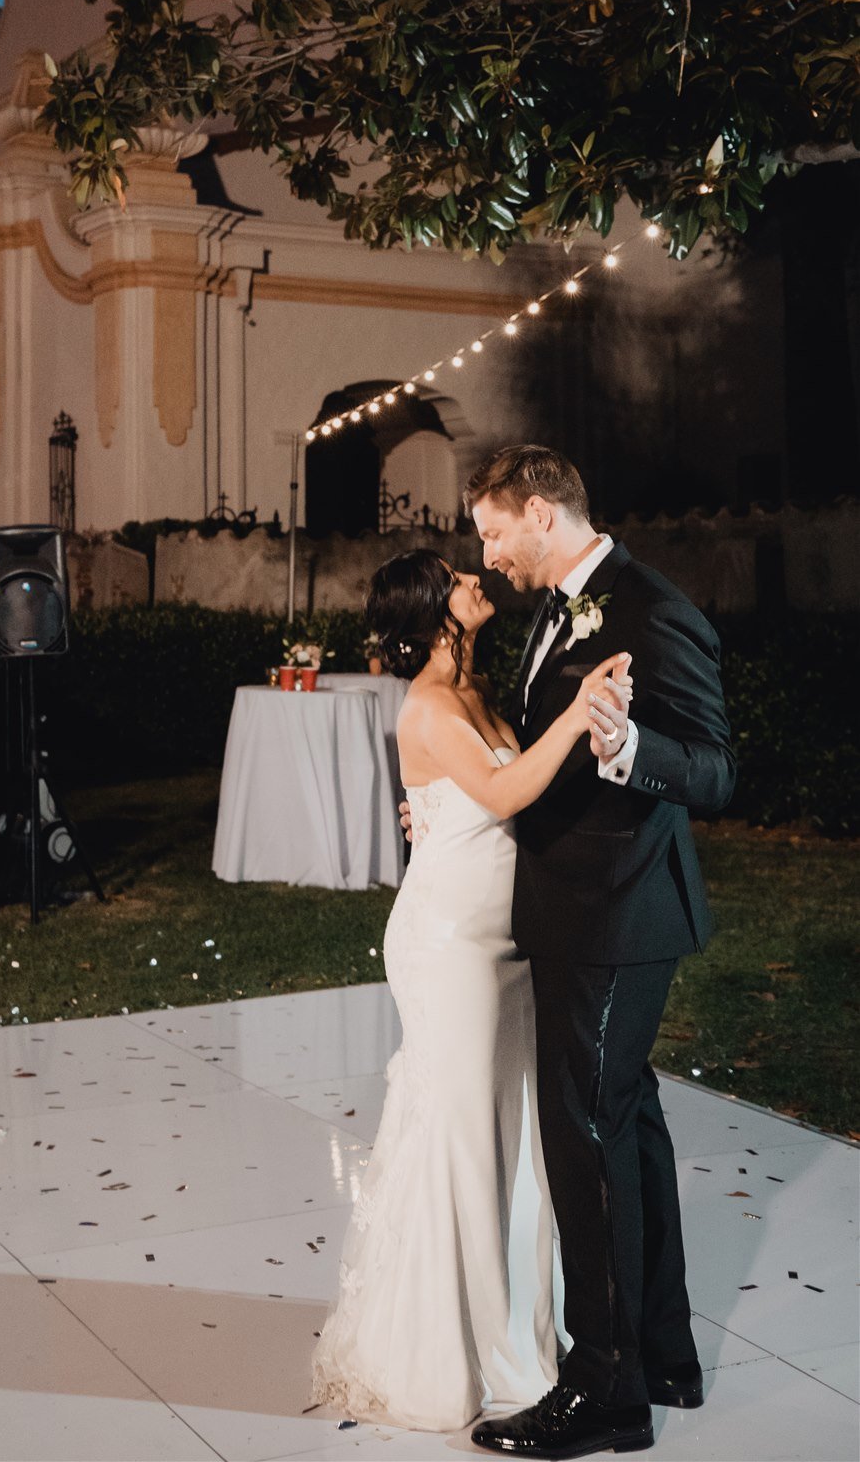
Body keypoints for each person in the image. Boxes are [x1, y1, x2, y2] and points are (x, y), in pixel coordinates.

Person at [406, 446, 735, 1460]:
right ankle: (664, 1354)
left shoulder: (648, 606)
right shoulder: (556, 607)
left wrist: (632, 751)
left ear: (541, 513)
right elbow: (528, 748)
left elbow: (716, 769)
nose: (489, 551)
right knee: (625, 1124)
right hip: (570, 907)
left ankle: (605, 1389)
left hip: (614, 912)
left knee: (584, 1133)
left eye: (495, 530)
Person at [309, 547, 632, 1433]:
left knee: (511, 1137)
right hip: (448, 942)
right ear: (430, 610)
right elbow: (500, 787)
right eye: (455, 578)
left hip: (508, 939)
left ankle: (521, 1343)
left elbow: (488, 799)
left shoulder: (477, 690)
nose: (472, 581)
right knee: (459, 1141)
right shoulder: (425, 704)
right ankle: (449, 1354)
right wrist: (576, 717)